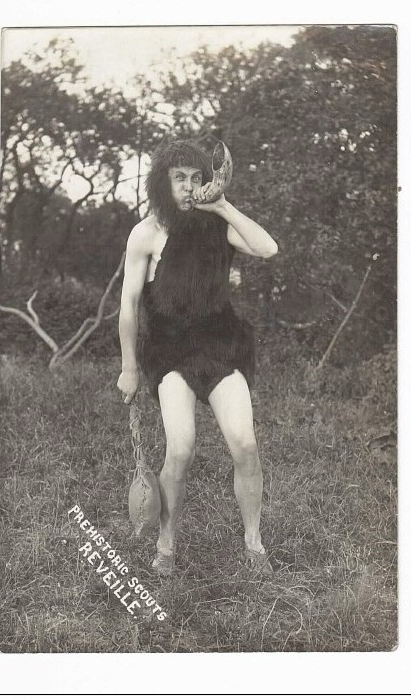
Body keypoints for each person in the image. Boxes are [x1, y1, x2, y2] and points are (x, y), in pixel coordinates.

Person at [117, 140, 279, 576]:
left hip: (222, 348)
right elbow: (129, 304)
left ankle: (253, 543)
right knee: (181, 450)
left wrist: (224, 207)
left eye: (195, 178)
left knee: (245, 445)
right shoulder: (146, 232)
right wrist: (130, 367)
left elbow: (268, 249)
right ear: (162, 184)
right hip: (170, 354)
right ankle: (167, 544)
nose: (188, 187)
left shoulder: (217, 224)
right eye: (179, 178)